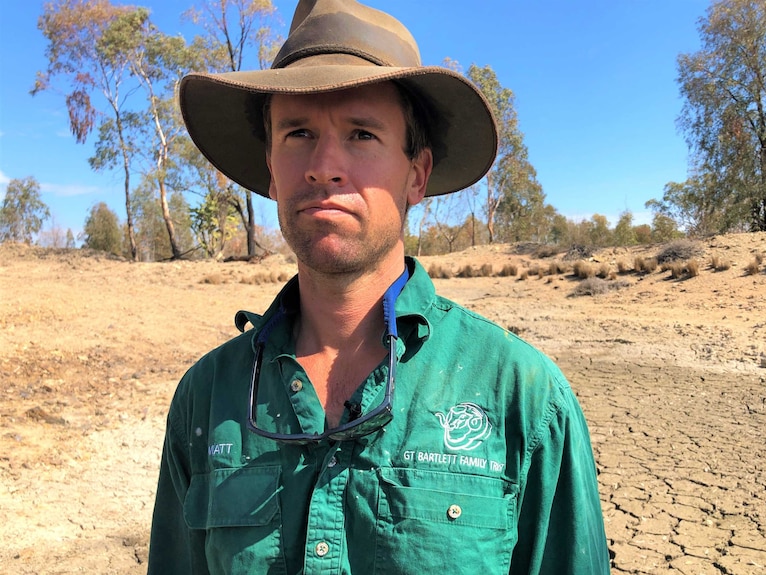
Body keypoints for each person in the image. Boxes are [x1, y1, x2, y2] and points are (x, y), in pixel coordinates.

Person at [147, 0, 610, 573]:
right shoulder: (206, 398)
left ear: (416, 174)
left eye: (362, 133)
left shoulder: (524, 398)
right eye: (297, 133)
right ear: (271, 167)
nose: (323, 165)